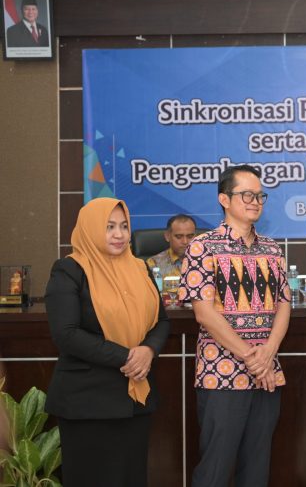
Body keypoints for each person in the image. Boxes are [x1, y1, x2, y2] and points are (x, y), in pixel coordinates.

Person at [44, 198, 169, 487]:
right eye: (109, 227)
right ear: (89, 229)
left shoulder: (139, 268)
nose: (119, 234)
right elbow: (67, 334)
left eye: (124, 226)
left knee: (131, 478)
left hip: (134, 400)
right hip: (88, 402)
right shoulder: (68, 270)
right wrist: (127, 357)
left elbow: (161, 321)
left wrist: (148, 350)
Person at [179, 164, 290, 487]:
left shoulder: (272, 249)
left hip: (266, 375)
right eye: (246, 195)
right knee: (214, 471)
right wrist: (251, 357)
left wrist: (267, 353)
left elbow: (284, 304)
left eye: (260, 195)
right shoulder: (203, 247)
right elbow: (204, 313)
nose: (255, 201)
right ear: (224, 200)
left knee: (256, 471)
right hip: (222, 376)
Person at [145, 213, 197, 279]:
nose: (185, 241)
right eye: (179, 236)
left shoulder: (206, 261)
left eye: (190, 236)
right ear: (167, 236)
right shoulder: (154, 263)